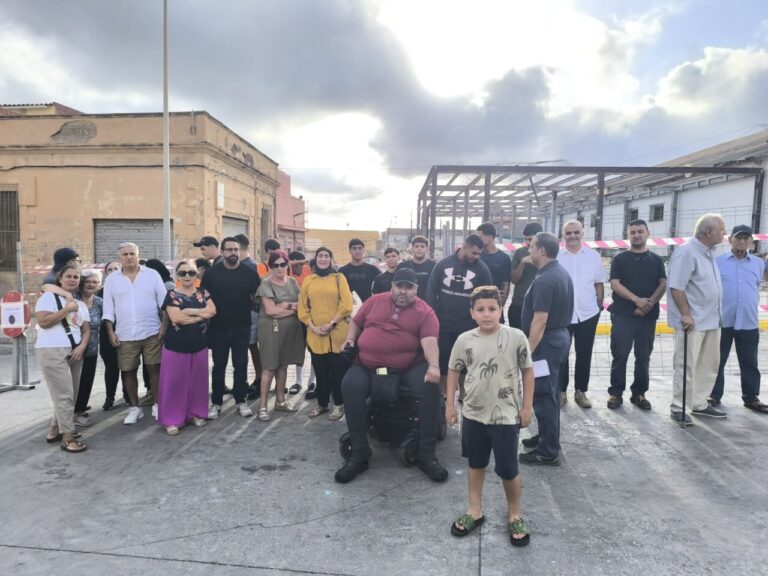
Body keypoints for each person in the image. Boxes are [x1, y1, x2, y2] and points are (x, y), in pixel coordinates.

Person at [335, 268, 447, 483]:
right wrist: (350, 340)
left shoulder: (425, 312)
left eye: (408, 287)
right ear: (392, 286)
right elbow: (357, 322)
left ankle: (426, 454)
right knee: (350, 385)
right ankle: (359, 453)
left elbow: (430, 341)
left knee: (430, 388)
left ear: (416, 289)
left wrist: (433, 365)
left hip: (407, 367)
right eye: (399, 286)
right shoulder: (375, 301)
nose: (403, 292)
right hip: (366, 365)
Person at [446, 286, 534, 545]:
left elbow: (528, 372)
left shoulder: (516, 337)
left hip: (506, 417)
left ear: (501, 310)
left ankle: (514, 513)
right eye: (481, 309)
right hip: (473, 414)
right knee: (476, 464)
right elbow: (453, 370)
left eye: (492, 309)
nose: (487, 314)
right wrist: (450, 405)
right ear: (472, 312)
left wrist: (526, 407)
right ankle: (475, 510)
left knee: (508, 469)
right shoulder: (464, 340)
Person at [667, 213, 727, 425]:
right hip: (692, 321)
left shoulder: (709, 252)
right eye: (722, 230)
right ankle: (679, 406)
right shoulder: (687, 253)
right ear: (708, 232)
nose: (724, 234)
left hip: (712, 319)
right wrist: (685, 313)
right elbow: (676, 286)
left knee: (709, 364)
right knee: (686, 365)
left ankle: (699, 403)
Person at [519, 232, 574, 466]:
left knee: (543, 395)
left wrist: (528, 351)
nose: (529, 250)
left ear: (542, 251)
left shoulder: (545, 279)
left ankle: (548, 451)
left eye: (531, 247)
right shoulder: (557, 272)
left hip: (546, 344)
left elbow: (540, 320)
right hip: (557, 338)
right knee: (548, 392)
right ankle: (546, 437)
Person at [102, 242, 167, 425]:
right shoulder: (112, 280)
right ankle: (134, 408)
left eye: (132, 253)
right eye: (125, 254)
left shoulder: (152, 275)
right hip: (125, 334)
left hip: (152, 331)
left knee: (154, 369)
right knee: (128, 371)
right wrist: (110, 332)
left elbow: (164, 303)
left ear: (138, 255)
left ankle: (157, 404)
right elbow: (108, 310)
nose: (129, 257)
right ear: (119, 258)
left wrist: (163, 327)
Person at [607, 220, 667, 410]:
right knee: (620, 354)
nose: (636, 235)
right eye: (632, 232)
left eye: (640, 231)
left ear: (648, 233)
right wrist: (636, 300)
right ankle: (615, 393)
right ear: (628, 235)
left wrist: (648, 304)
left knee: (643, 357)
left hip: (647, 317)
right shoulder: (620, 259)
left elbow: (663, 283)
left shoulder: (657, 260)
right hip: (623, 315)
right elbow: (615, 283)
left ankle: (639, 394)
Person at [709, 225, 768, 413]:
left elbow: (756, 285)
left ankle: (751, 397)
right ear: (730, 240)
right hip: (723, 320)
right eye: (738, 238)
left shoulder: (758, 264)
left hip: (748, 322)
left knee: (750, 362)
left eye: (746, 238)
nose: (742, 242)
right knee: (717, 360)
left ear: (751, 241)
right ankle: (713, 395)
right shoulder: (718, 262)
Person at [201, 237, 261, 419]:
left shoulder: (249, 272)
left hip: (242, 327)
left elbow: (258, 296)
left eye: (236, 250)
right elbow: (203, 297)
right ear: (222, 252)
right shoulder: (212, 273)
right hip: (218, 328)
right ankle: (216, 403)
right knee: (218, 366)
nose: (233, 253)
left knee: (240, 366)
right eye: (229, 250)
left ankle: (240, 401)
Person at [425, 234, 492, 394]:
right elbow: (431, 290)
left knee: (466, 361)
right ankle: (444, 394)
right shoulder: (444, 264)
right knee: (443, 360)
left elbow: (488, 297)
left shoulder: (482, 269)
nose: (477, 257)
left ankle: (463, 394)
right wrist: (431, 317)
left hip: (468, 324)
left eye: (479, 254)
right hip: (443, 323)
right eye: (474, 253)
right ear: (464, 247)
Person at [157, 260, 217, 435]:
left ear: (196, 274)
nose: (187, 276)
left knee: (197, 382)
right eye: (183, 273)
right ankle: (171, 420)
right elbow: (176, 318)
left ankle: (195, 414)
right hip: (176, 345)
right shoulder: (172, 295)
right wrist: (201, 314)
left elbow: (212, 311)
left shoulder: (203, 292)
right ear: (177, 276)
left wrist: (189, 312)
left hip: (199, 344)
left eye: (191, 272)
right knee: (174, 383)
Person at [35, 264, 90, 453]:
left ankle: (55, 429)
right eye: (69, 276)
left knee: (69, 394)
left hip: (74, 351)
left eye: (76, 277)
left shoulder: (80, 303)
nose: (73, 279)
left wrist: (81, 347)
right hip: (51, 349)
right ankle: (68, 437)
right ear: (60, 278)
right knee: (64, 395)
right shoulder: (49, 297)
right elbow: (43, 322)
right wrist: (67, 310)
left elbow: (85, 329)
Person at [298, 247, 353, 420]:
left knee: (338, 373)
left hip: (337, 333)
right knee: (320, 372)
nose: (323, 259)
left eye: (326, 256)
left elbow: (347, 304)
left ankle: (339, 405)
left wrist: (332, 323)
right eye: (320, 256)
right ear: (316, 259)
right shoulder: (309, 280)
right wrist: (312, 327)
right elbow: (302, 307)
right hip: (316, 335)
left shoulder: (339, 278)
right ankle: (322, 404)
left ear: (331, 259)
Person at [557, 220, 607, 409]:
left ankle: (581, 391)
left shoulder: (593, 256)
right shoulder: (557, 257)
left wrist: (599, 304)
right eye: (568, 233)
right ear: (563, 235)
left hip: (587, 313)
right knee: (562, 353)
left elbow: (599, 282)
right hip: (563, 315)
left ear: (582, 234)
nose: (572, 236)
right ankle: (561, 391)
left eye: (576, 232)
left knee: (584, 353)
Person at [255, 251, 304, 421]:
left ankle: (280, 401)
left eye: (283, 264)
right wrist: (292, 308)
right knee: (269, 367)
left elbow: (301, 305)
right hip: (270, 330)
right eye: (275, 265)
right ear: (269, 266)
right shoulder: (265, 284)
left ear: (287, 265)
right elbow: (270, 311)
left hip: (290, 331)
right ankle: (262, 406)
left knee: (283, 365)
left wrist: (284, 305)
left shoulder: (292, 282)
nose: (279, 268)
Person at [73, 269, 104, 426]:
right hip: (72, 348)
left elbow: (108, 321)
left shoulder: (99, 302)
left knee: (86, 381)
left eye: (95, 282)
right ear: (81, 283)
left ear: (99, 285)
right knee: (71, 382)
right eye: (88, 281)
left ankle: (79, 412)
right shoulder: (72, 299)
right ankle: (65, 413)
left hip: (91, 348)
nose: (91, 284)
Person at [237, 235, 264, 401]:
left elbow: (257, 293)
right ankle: (251, 380)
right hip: (242, 312)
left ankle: (260, 379)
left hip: (251, 312)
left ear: (239, 248)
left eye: (234, 248)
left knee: (252, 346)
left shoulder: (252, 267)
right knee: (247, 347)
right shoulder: (243, 265)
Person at [288, 250, 315, 396]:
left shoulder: (309, 271)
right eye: (296, 264)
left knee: (313, 350)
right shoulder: (286, 271)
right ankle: (298, 381)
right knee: (299, 349)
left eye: (301, 264)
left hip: (310, 316)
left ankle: (312, 381)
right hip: (293, 317)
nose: (299, 268)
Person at [99, 261, 124, 410]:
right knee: (111, 367)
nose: (113, 271)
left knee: (128, 367)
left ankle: (128, 395)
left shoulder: (129, 288)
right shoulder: (101, 292)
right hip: (107, 334)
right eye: (110, 269)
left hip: (125, 332)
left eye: (116, 268)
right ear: (106, 273)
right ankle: (110, 397)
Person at [509, 223, 543, 329]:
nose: (528, 243)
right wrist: (522, 263)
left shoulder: (547, 253)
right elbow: (514, 280)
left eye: (531, 239)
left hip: (539, 304)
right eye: (525, 239)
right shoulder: (520, 252)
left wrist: (538, 262)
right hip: (519, 303)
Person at [476, 223, 512, 324]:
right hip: (478, 303)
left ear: (490, 237)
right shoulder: (477, 256)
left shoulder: (504, 258)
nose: (478, 239)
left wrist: (500, 305)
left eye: (480, 236)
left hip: (494, 304)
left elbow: (506, 283)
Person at [339, 238, 380, 303]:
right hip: (350, 307)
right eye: (354, 248)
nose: (357, 251)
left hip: (368, 307)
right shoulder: (342, 271)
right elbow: (339, 291)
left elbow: (382, 285)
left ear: (363, 250)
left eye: (360, 248)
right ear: (350, 251)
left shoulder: (373, 270)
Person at [397, 235, 436, 300]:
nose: (419, 249)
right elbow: (397, 286)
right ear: (412, 248)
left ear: (427, 249)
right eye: (416, 246)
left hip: (427, 305)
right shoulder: (402, 266)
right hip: (407, 303)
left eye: (422, 246)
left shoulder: (434, 266)